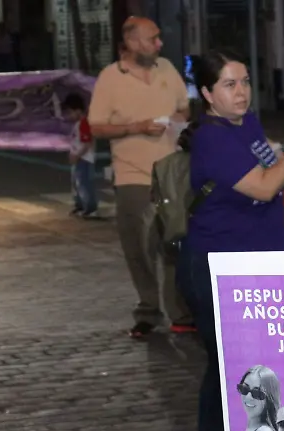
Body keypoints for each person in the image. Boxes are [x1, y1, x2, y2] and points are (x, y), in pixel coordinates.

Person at [178, 48, 284, 431]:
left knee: (252, 360)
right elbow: (265, 186)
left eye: (244, 82)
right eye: (228, 85)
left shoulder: (246, 124)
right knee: (223, 360)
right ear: (206, 92)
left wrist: (278, 150)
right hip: (215, 267)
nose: (240, 93)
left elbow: (267, 166)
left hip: (254, 265)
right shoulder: (212, 136)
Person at [88, 16, 195, 339]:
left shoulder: (167, 69)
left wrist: (178, 118)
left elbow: (184, 109)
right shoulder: (110, 78)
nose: (159, 44)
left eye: (159, 38)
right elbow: (96, 126)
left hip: (172, 173)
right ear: (133, 43)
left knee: (175, 243)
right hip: (132, 175)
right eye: (153, 39)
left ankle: (181, 312)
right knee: (140, 247)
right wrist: (137, 127)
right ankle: (148, 310)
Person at [61, 93, 99, 219]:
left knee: (84, 184)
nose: (68, 116)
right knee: (77, 183)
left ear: (78, 111)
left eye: (70, 113)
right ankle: (80, 206)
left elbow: (87, 143)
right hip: (78, 159)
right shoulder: (78, 123)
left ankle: (90, 209)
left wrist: (77, 155)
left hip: (84, 159)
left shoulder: (84, 123)